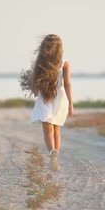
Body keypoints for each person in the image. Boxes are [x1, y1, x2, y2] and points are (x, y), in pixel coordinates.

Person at [30, 34, 74, 171]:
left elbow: (36, 85)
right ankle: (56, 156)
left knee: (47, 130)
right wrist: (71, 103)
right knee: (56, 130)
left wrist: (35, 91)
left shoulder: (40, 64)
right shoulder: (64, 64)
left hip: (45, 98)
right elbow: (67, 84)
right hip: (60, 99)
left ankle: (51, 153)